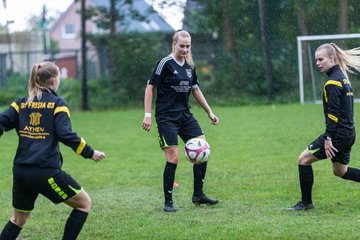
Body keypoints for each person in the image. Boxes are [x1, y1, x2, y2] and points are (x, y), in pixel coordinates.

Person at [0, 61, 106, 239]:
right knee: (84, 204)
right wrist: (90, 152)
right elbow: (66, 134)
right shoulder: (58, 104)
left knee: (18, 219)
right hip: (45, 171)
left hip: (21, 171)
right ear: (53, 80)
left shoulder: (21, 104)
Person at [141, 30, 219, 212]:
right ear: (174, 44)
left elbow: (196, 90)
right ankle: (168, 202)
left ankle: (198, 195)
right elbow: (150, 87)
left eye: (188, 46)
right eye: (181, 46)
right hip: (166, 117)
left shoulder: (190, 66)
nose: (185, 49)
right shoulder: (165, 63)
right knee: (173, 158)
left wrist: (209, 112)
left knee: (203, 148)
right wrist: (147, 114)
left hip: (184, 114)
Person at [287, 43, 360, 211]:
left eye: (321, 59)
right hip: (348, 133)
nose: (318, 63)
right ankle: (306, 203)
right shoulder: (343, 78)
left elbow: (333, 114)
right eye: (316, 60)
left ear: (332, 58)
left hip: (337, 135)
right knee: (340, 171)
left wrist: (328, 138)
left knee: (303, 160)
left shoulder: (332, 83)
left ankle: (306, 203)